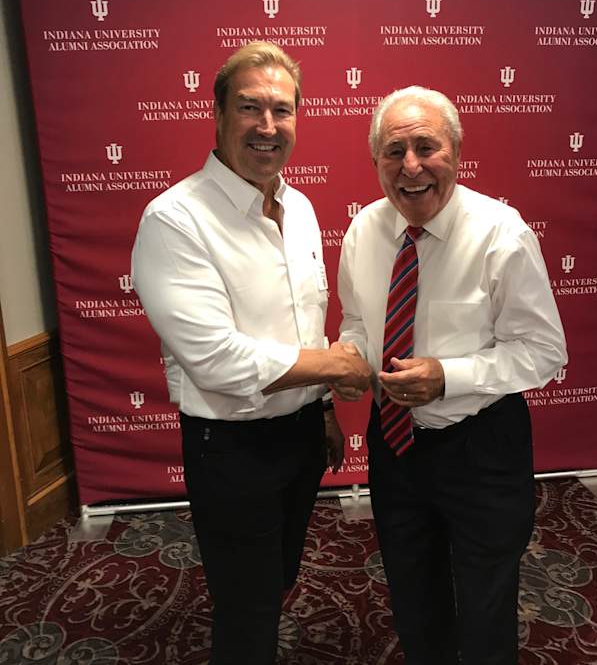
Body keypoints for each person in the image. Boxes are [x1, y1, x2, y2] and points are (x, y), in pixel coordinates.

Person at [131, 41, 371, 665]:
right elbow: (217, 359)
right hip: (231, 447)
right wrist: (343, 368)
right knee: (247, 607)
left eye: (282, 110)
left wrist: (322, 410)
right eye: (250, 108)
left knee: (280, 577)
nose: (268, 127)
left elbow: (307, 324)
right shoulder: (175, 220)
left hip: (300, 438)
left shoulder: (300, 208)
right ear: (216, 115)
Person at [336, 85, 567, 665]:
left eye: (425, 147)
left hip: (481, 446)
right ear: (376, 163)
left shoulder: (501, 233)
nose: (410, 167)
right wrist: (348, 360)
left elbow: (544, 352)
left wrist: (450, 376)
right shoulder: (363, 231)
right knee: (413, 595)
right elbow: (360, 322)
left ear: (456, 154)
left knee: (487, 603)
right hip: (395, 445)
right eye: (394, 152)